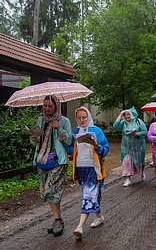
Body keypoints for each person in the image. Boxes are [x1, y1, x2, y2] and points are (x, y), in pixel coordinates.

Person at [29, 95, 72, 236]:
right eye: (45, 106)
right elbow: (35, 143)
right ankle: (58, 219)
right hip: (42, 160)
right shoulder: (40, 120)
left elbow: (69, 141)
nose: (47, 109)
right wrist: (33, 138)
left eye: (50, 106)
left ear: (56, 106)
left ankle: (58, 221)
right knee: (46, 193)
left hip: (58, 161)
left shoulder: (64, 121)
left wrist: (60, 129)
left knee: (49, 190)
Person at [71, 106, 110, 239]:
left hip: (94, 168)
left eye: (84, 117)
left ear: (88, 117)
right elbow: (71, 149)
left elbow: (106, 149)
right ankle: (99, 216)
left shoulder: (96, 131)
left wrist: (96, 145)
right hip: (80, 168)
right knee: (91, 195)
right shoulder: (75, 132)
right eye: (79, 118)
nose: (82, 120)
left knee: (88, 196)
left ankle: (79, 226)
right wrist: (65, 139)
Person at [113, 107, 147, 187]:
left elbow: (145, 132)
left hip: (138, 146)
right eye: (125, 115)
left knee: (139, 161)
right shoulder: (123, 123)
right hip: (126, 146)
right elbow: (115, 125)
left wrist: (137, 134)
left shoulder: (138, 122)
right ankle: (128, 179)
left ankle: (141, 172)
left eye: (128, 115)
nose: (127, 117)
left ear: (132, 115)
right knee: (126, 161)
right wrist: (121, 114)